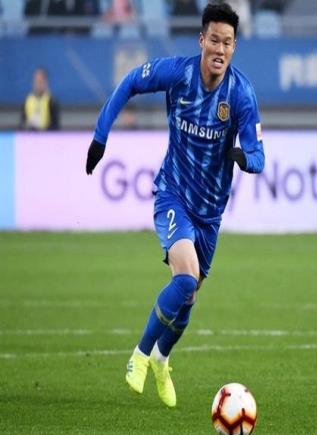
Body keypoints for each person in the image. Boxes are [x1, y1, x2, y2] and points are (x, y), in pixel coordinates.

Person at [85, 2, 264, 408]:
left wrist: (243, 158)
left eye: (228, 42)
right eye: (214, 40)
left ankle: (163, 360)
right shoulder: (179, 74)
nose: (220, 49)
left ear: (234, 47)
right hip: (173, 194)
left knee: (189, 297)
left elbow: (259, 155)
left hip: (210, 214)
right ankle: (140, 355)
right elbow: (131, 81)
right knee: (184, 280)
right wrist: (100, 136)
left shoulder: (241, 94)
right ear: (202, 40)